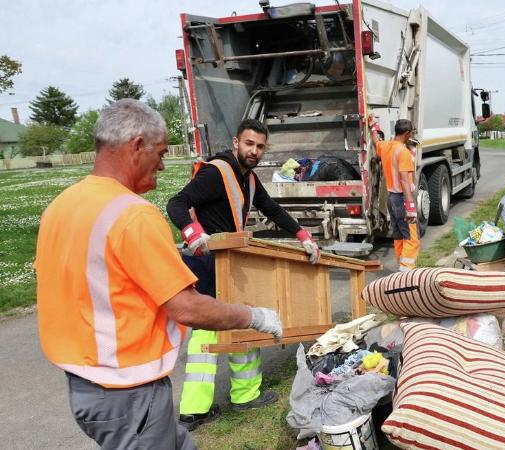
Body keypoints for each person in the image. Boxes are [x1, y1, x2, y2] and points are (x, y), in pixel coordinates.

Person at [35, 99, 284, 450]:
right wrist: (254, 315)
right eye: (161, 152)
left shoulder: (62, 206)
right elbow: (188, 308)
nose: (164, 165)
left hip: (87, 384)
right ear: (137, 146)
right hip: (127, 390)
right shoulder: (133, 216)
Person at [166, 118, 320, 430]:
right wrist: (194, 233)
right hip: (207, 261)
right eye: (249, 144)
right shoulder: (216, 171)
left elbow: (271, 209)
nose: (254, 151)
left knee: (237, 322)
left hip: (228, 262)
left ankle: (236, 397)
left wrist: (303, 235)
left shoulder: (248, 178)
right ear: (236, 143)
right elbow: (177, 203)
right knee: (213, 331)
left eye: (260, 146)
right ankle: (199, 408)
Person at [369, 116, 419, 271]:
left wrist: (373, 127)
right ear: (407, 134)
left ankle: (401, 266)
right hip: (402, 198)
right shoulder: (403, 152)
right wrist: (410, 207)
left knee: (398, 234)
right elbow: (404, 181)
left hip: (391, 199)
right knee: (411, 238)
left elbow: (376, 141)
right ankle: (406, 271)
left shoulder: (386, 147)